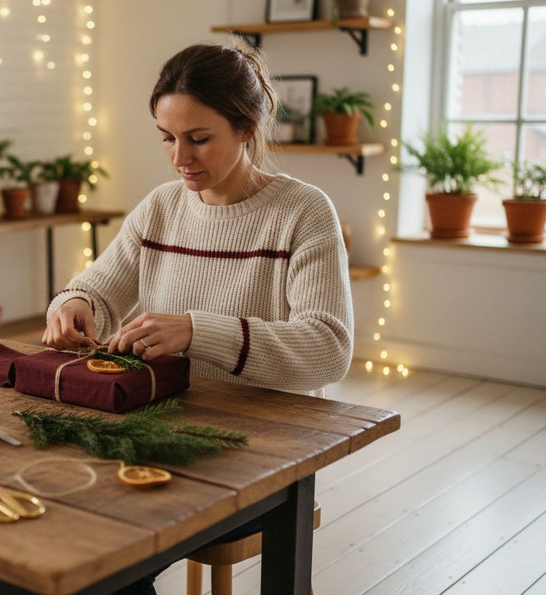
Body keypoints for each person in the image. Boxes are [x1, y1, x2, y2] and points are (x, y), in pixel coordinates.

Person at [42, 41, 354, 594]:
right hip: (162, 430)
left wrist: (196, 329)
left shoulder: (304, 213)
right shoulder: (161, 207)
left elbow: (328, 348)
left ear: (247, 127)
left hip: (262, 453)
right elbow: (97, 287)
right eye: (168, 138)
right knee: (65, 541)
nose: (180, 157)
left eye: (199, 138)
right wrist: (73, 306)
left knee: (108, 563)